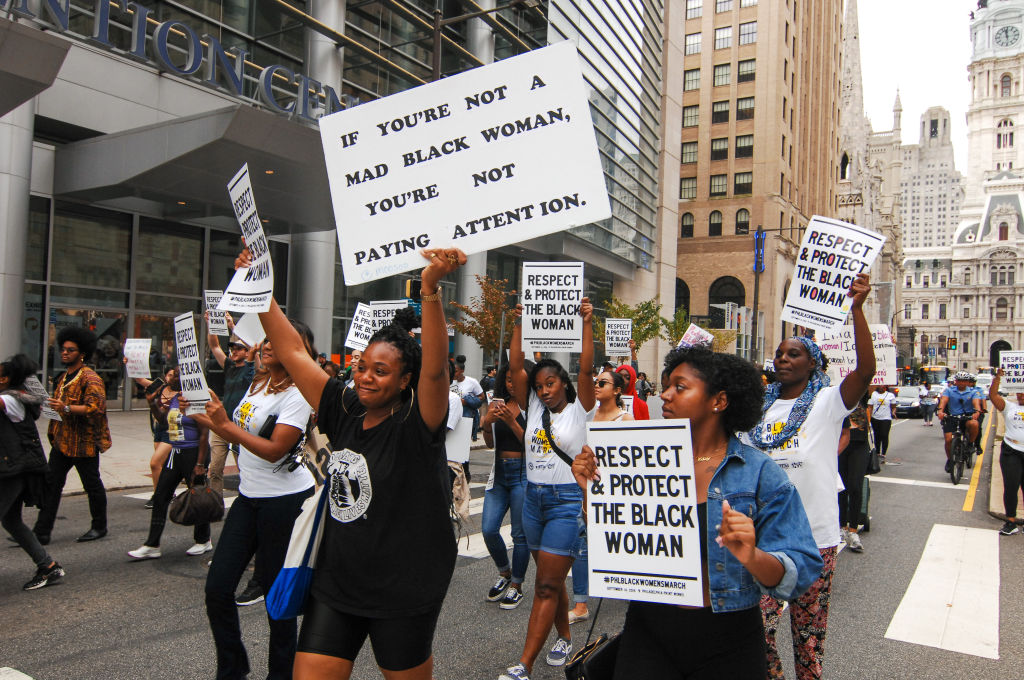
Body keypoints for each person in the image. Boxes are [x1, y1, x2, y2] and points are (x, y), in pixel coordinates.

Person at [242, 247, 462, 680]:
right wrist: (259, 288)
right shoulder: (344, 407)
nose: (364, 377)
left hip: (404, 589)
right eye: (362, 367)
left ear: (404, 381)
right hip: (337, 582)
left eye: (380, 372)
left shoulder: (419, 425)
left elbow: (435, 372)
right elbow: (292, 352)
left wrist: (430, 289)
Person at [572, 347, 823, 679]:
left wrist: (752, 554)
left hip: (729, 639)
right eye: (667, 386)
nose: (665, 395)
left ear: (718, 400)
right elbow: (616, 542)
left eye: (680, 387)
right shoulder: (639, 459)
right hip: (648, 631)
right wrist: (593, 493)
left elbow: (800, 570)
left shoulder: (758, 472)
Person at [744, 273, 875, 680]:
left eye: (795, 354)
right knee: (755, 633)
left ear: (813, 363)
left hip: (815, 539)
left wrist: (857, 309)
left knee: (809, 638)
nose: (784, 359)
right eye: (780, 354)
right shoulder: (754, 409)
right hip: (763, 539)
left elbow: (865, 371)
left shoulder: (826, 401)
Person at [196, 317, 317, 680]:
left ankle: (281, 675)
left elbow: (277, 450)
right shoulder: (259, 381)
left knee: (277, 603)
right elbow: (238, 433)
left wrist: (225, 426)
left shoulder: (298, 394)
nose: (265, 345)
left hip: (286, 504)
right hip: (248, 499)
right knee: (218, 589)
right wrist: (206, 416)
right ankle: (232, 669)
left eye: (274, 340)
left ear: (295, 348)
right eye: (264, 340)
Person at [498, 298, 597, 680]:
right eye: (539, 386)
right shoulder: (535, 407)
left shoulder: (580, 408)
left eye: (551, 383)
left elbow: (586, 366)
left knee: (545, 586)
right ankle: (565, 635)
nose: (544, 391)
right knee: (548, 581)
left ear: (564, 383)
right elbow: (515, 365)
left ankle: (524, 665)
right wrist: (519, 322)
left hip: (565, 503)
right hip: (533, 501)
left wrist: (587, 323)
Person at [567, 369, 636, 626]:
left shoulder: (625, 420)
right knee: (582, 546)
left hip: (617, 494)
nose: (597, 386)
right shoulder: (589, 417)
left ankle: (630, 587)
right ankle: (581, 604)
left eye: (603, 383)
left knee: (620, 542)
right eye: (596, 382)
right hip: (589, 491)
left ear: (617, 390)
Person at [33, 327, 112, 544]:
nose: (65, 353)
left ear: (82, 352)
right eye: (63, 349)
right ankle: (42, 531)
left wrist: (66, 408)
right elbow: (61, 405)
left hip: (84, 443)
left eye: (71, 349)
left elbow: (95, 408)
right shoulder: (65, 376)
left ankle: (99, 526)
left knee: (92, 485)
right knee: (51, 484)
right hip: (62, 441)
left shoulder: (91, 378)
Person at [127, 366, 212, 559]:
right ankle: (152, 544)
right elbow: (164, 422)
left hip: (193, 453)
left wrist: (200, 464)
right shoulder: (175, 398)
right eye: (172, 374)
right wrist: (152, 404)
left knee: (196, 498)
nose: (172, 377)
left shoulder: (199, 398)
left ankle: (203, 540)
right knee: (161, 496)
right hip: (175, 452)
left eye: (177, 375)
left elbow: (204, 432)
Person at [0, 354, 65, 590]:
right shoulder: (14, 397)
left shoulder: (10, 399)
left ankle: (48, 566)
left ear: (5, 379)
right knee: (12, 521)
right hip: (14, 468)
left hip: (15, 470)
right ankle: (47, 566)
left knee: (10, 519)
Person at [480, 363, 530, 611]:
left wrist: (512, 422)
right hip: (499, 473)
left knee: (520, 536)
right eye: (508, 379)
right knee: (488, 529)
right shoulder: (496, 403)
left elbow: (533, 445)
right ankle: (505, 572)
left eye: (516, 380)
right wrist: (487, 424)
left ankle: (517, 586)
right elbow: (490, 443)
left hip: (523, 474)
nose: (511, 384)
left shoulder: (532, 407)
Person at [131, 365, 177, 509]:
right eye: (169, 375)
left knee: (155, 463)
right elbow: (139, 379)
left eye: (174, 375)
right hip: (159, 429)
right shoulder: (160, 387)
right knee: (163, 465)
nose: (171, 378)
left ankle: (159, 496)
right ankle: (168, 492)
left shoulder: (183, 393)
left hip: (172, 430)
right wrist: (130, 362)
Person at [987, 370, 1024, 535]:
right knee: (1011, 486)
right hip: (1012, 451)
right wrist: (998, 377)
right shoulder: (1009, 406)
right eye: (1020, 392)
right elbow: (993, 395)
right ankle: (1010, 521)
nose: (1021, 395)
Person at [838, 394, 870, 552]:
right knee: (840, 487)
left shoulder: (862, 393)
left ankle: (853, 530)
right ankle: (842, 527)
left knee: (855, 486)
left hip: (859, 445)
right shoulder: (834, 392)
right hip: (839, 443)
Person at [936, 372, 981, 474]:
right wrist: (940, 411)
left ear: (968, 382)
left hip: (967, 417)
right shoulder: (949, 391)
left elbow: (976, 403)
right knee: (948, 440)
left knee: (974, 424)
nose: (961, 383)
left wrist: (977, 412)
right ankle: (950, 459)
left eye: (964, 381)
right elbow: (943, 401)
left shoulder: (973, 392)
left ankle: (970, 444)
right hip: (952, 417)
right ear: (955, 381)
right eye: (959, 380)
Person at [451, 360, 485, 441]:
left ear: (462, 371)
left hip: (466, 415)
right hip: (451, 415)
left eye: (455, 371)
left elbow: (482, 397)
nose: (453, 373)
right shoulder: (449, 381)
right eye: (451, 371)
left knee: (463, 441)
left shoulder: (472, 382)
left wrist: (467, 401)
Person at [867, 384, 896, 462]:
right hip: (875, 418)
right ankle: (877, 452)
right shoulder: (873, 394)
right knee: (877, 435)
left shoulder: (890, 395)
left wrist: (893, 412)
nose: (880, 387)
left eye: (882, 386)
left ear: (885, 387)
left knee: (884, 435)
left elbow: (893, 406)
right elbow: (870, 407)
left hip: (886, 418)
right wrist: (868, 419)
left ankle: (883, 453)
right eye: (879, 386)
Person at [970, 376, 988, 454]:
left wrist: (983, 409)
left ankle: (977, 445)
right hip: (966, 411)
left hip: (978, 411)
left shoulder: (978, 390)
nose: (970, 383)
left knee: (978, 427)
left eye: (971, 382)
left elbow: (983, 400)